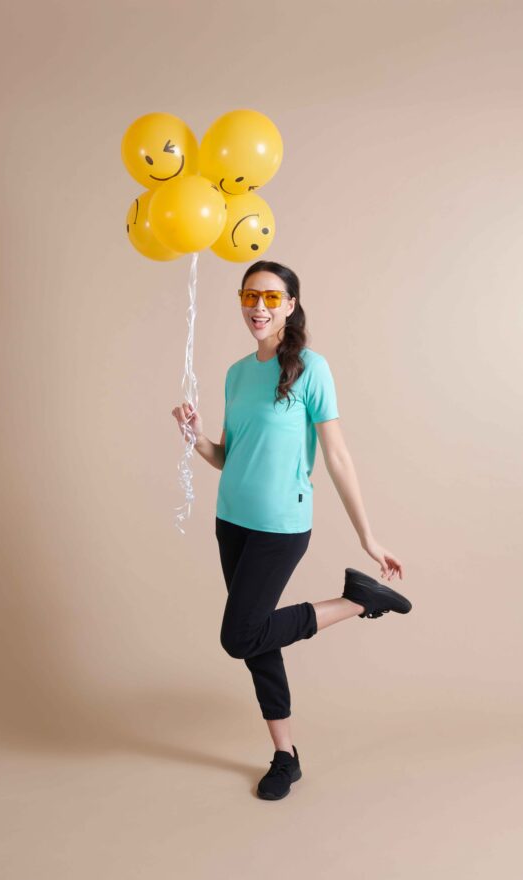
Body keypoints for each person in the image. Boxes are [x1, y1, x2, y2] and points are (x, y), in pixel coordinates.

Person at [171, 260, 412, 801]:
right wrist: (196, 436)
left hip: (280, 526)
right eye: (249, 296)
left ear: (291, 305)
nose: (258, 307)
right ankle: (286, 756)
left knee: (241, 635)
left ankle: (358, 601)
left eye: (271, 298)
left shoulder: (311, 369)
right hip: (231, 521)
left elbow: (338, 457)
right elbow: (228, 457)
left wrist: (367, 537)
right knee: (258, 640)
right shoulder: (236, 374)